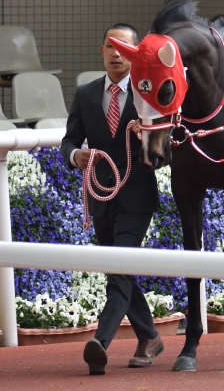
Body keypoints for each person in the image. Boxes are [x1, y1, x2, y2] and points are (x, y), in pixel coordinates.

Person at [61, 23, 162, 375]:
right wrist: (77, 157)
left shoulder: (148, 96)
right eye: (110, 46)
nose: (116, 53)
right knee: (118, 270)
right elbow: (69, 141)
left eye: (124, 47)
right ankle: (149, 337)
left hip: (137, 196)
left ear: (137, 55)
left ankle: (99, 344)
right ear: (101, 51)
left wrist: (147, 132)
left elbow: (165, 150)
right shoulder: (86, 94)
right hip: (100, 195)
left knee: (118, 271)